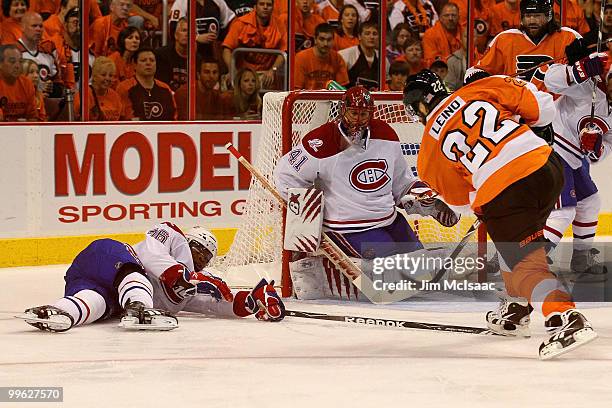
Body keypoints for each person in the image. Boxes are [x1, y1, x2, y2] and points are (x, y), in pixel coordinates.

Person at [403, 69, 597, 359]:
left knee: (526, 266)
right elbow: (543, 108)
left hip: (506, 193)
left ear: (417, 109)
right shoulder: (480, 88)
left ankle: (566, 318)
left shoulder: (428, 154)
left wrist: (434, 205)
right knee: (515, 248)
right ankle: (517, 308)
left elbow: (461, 204)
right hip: (546, 165)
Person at [274, 85, 458, 299]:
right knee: (394, 278)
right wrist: (310, 213)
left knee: (421, 270)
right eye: (354, 113)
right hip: (350, 228)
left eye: (364, 114)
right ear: (343, 110)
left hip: (390, 221)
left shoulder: (386, 134)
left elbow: (401, 181)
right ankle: (319, 275)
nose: (359, 119)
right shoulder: (322, 141)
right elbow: (285, 174)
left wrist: (421, 196)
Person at [543, 49, 612, 280]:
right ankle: (532, 262)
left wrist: (597, 147)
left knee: (591, 201)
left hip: (574, 159)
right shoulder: (588, 87)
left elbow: (603, 153)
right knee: (563, 212)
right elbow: (549, 79)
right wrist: (577, 71)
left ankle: (581, 258)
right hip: (551, 149)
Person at [132, 222, 285, 321]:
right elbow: (149, 254)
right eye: (198, 252)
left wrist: (251, 301)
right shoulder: (167, 238)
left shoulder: (197, 283)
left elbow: (216, 303)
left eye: (205, 258)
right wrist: (186, 277)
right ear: (186, 244)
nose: (199, 260)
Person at [19, 238, 178, 332]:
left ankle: (57, 311)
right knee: (133, 274)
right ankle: (139, 307)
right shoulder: (167, 253)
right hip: (107, 254)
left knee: (94, 302)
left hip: (91, 279)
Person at [465, 0, 580, 92]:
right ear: (521, 18)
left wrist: (579, 62)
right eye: (528, 16)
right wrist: (478, 77)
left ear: (549, 17)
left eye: (537, 16)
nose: (532, 21)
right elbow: (474, 71)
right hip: (516, 109)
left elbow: (586, 71)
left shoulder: (568, 37)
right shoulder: (505, 39)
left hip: (557, 112)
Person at [221, 0, 286, 89]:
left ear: (273, 7)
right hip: (242, 72)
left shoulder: (279, 25)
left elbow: (283, 52)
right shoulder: (240, 23)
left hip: (265, 73)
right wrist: (232, 70)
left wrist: (272, 70)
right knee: (228, 82)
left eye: (269, 5)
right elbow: (226, 49)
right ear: (255, 7)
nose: (265, 7)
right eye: (262, 4)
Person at [116, 47, 177, 120]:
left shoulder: (165, 88)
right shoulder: (124, 88)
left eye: (152, 60)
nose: (148, 63)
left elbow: (173, 117)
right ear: (134, 65)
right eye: (143, 60)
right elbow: (122, 118)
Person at [293, 22, 349, 90]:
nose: (325, 44)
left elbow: (342, 89)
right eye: (322, 39)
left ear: (333, 41)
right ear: (315, 40)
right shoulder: (301, 58)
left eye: (329, 40)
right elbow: (296, 89)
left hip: (330, 99)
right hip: (306, 99)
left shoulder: (338, 58)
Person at [0, 44, 39, 121]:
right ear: (0, 64)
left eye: (20, 61)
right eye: (12, 62)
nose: (17, 66)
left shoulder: (27, 84)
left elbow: (33, 118)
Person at [339, 20, 380, 89]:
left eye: (375, 34)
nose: (371, 37)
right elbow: (339, 84)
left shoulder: (383, 59)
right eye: (367, 33)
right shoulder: (345, 55)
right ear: (359, 36)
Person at [421, 2, 461, 67]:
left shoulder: (465, 32)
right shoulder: (430, 34)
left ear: (459, 17)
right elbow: (431, 62)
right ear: (440, 18)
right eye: (446, 15)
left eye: (453, 15)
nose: (450, 18)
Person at [154, 17, 188, 91]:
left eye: (191, 31)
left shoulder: (198, 59)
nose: (187, 34)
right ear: (176, 35)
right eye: (184, 30)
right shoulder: (160, 55)